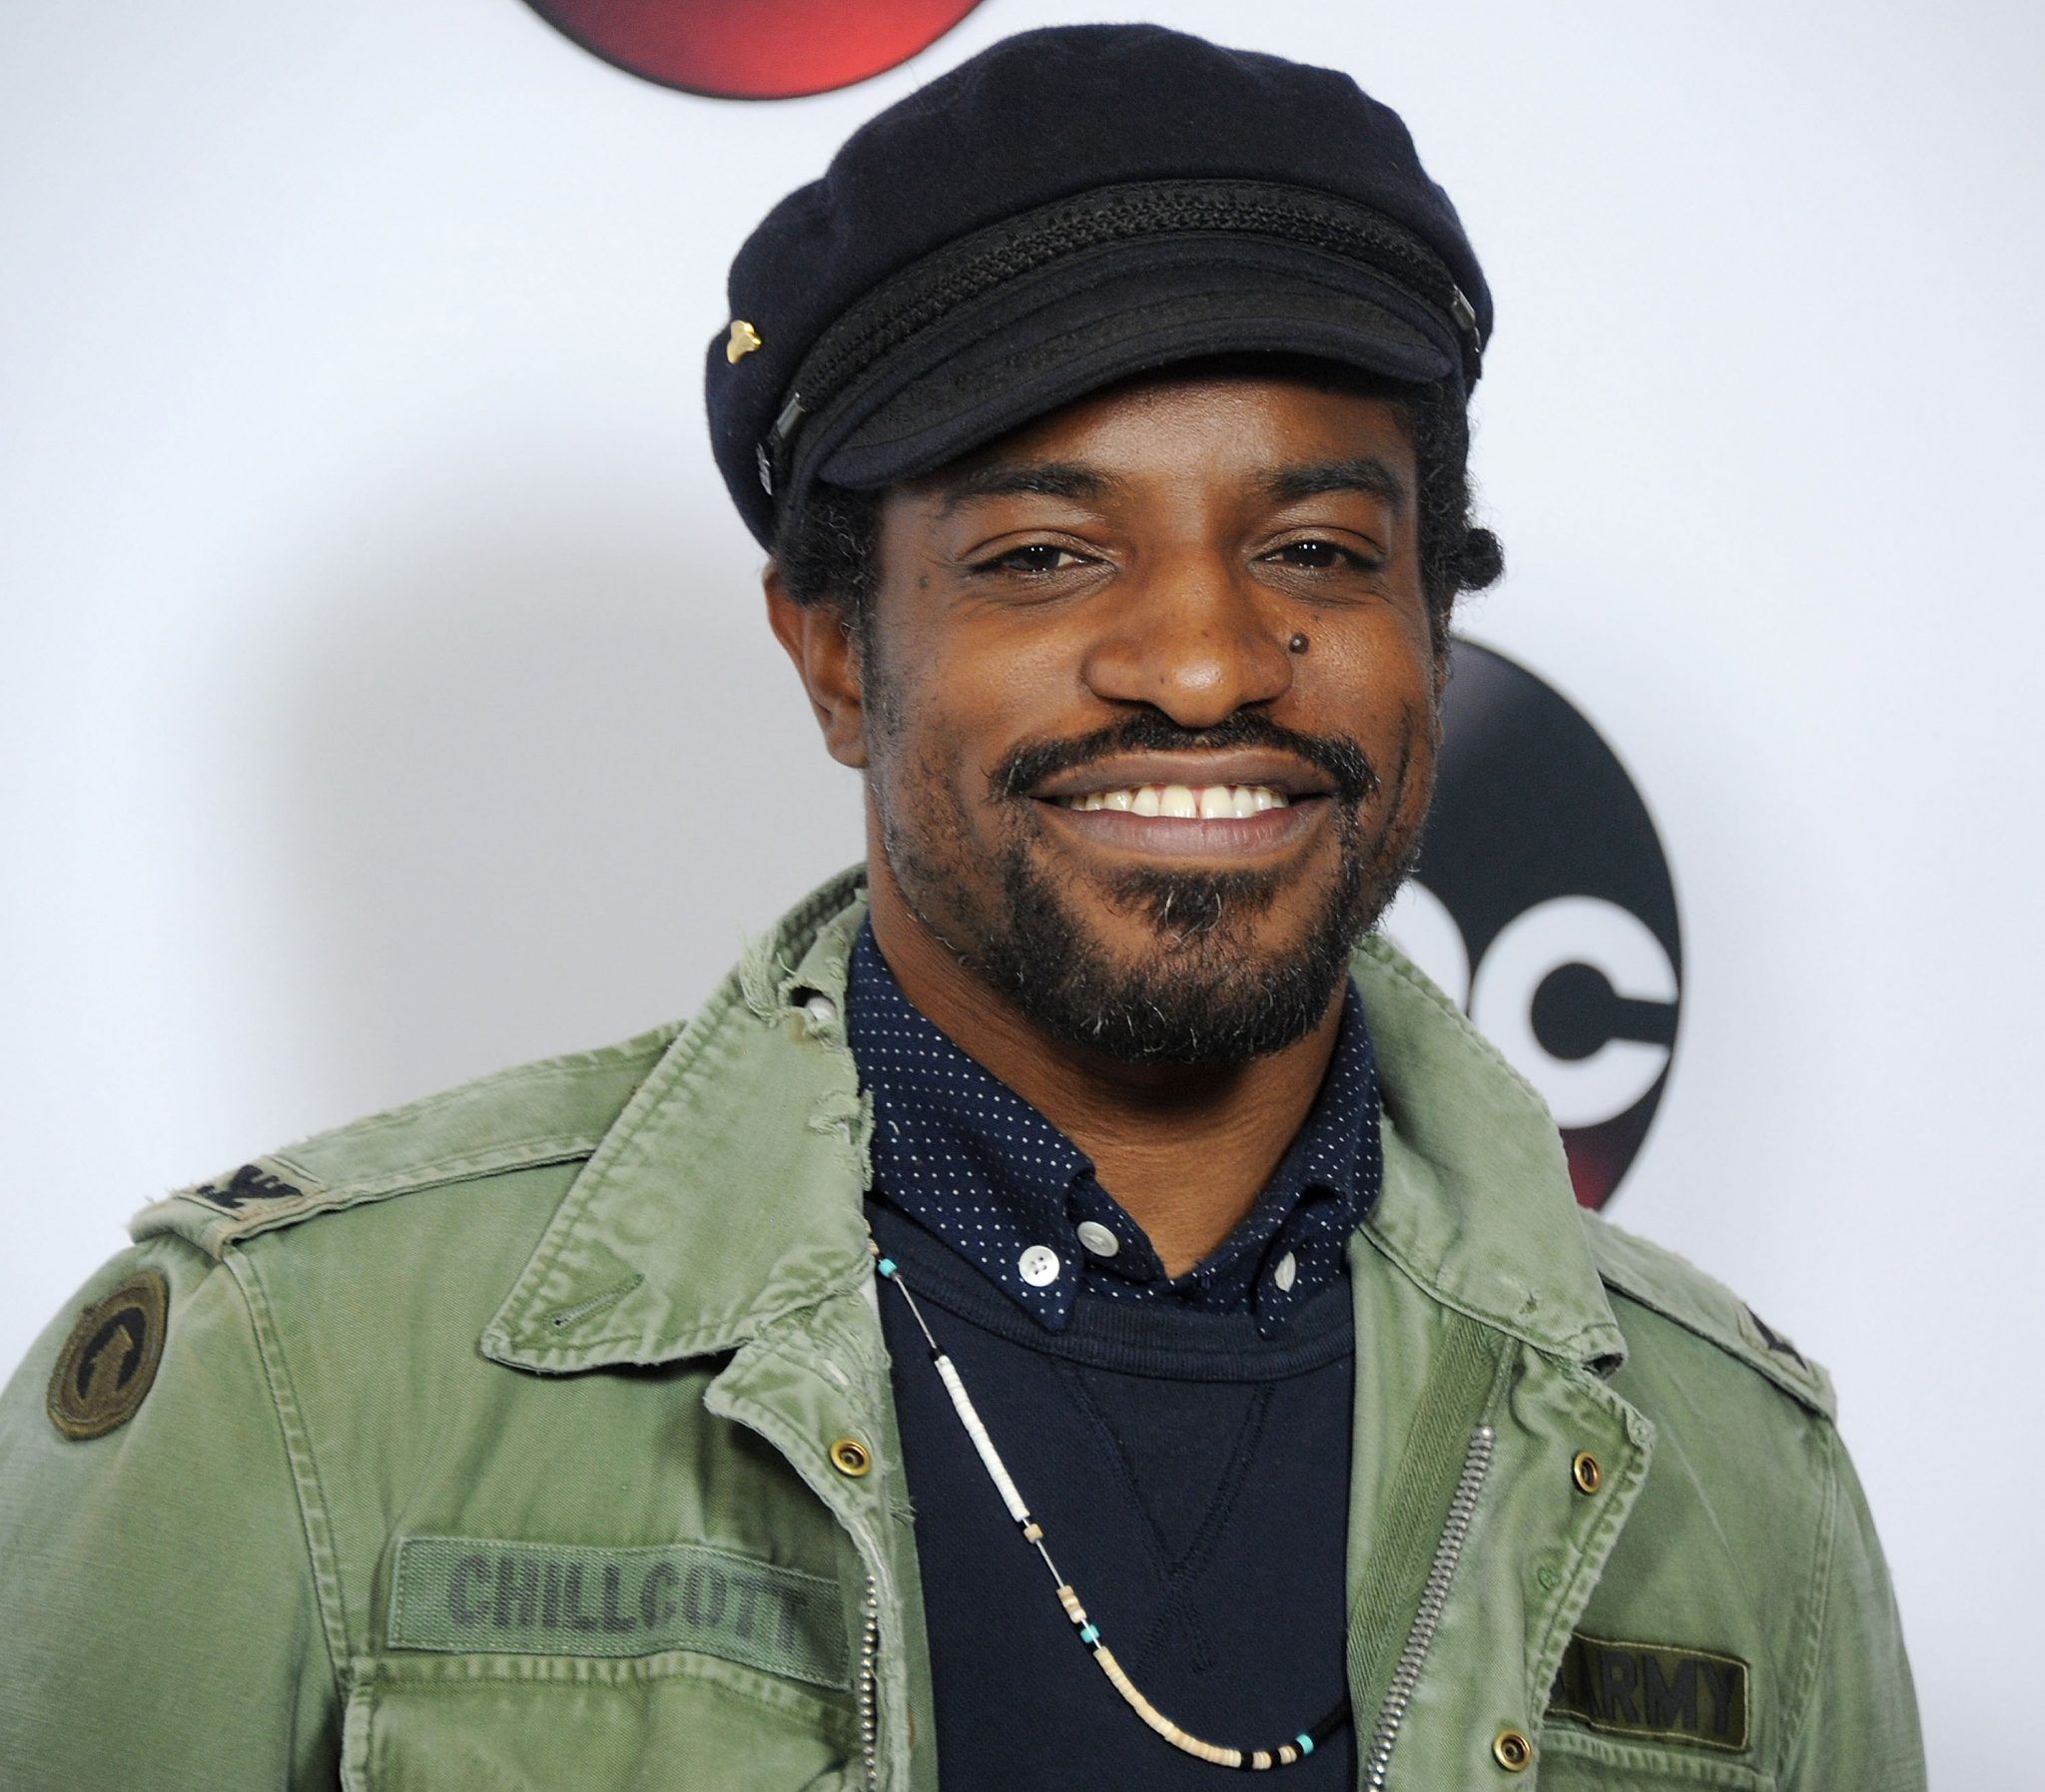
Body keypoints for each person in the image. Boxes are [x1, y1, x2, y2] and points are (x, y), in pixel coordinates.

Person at [0, 23, 1922, 1791]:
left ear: (1430, 628)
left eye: (1316, 550)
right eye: (1045, 555)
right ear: (837, 653)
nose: (1202, 662)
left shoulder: (1737, 1474)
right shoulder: (302, 1370)